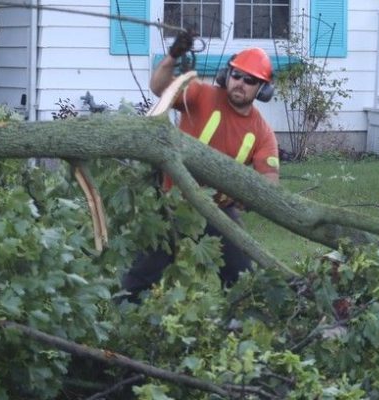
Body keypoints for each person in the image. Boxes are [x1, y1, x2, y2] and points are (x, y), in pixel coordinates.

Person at [120, 31, 281, 301]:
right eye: (236, 75)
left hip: (217, 210)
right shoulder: (201, 94)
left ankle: (238, 320)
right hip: (174, 201)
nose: (240, 83)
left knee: (241, 273)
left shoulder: (262, 132)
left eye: (250, 80)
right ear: (226, 75)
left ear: (262, 89)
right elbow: (160, 87)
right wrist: (173, 56)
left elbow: (270, 179)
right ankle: (127, 312)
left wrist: (248, 195)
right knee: (142, 272)